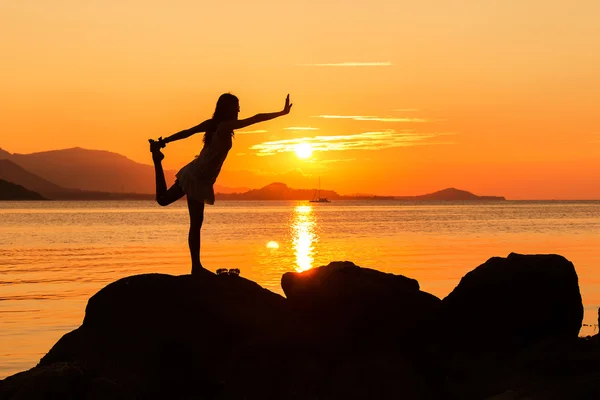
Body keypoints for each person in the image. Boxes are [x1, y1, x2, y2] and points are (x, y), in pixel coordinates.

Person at [148, 93, 293, 275]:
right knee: (195, 223)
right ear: (229, 109)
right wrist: (281, 113)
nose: (239, 110)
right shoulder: (225, 126)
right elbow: (255, 119)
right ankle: (196, 268)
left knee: (164, 201)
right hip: (198, 178)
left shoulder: (212, 124)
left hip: (196, 173)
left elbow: (187, 132)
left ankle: (157, 160)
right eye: (237, 107)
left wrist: (164, 141)